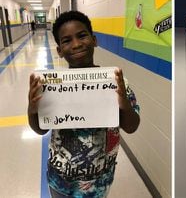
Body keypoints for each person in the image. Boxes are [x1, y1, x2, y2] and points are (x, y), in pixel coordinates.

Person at [27, 11, 140, 198]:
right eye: (67, 40)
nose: (77, 44)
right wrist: (32, 110)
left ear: (94, 40)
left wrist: (123, 103)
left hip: (100, 182)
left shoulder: (117, 83)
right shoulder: (51, 86)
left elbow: (131, 126)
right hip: (61, 181)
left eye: (82, 36)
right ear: (59, 51)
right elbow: (40, 130)